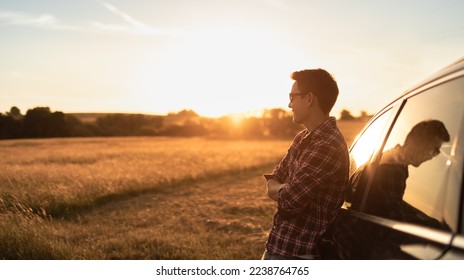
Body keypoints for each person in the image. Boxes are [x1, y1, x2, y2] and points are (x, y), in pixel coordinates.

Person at [262, 68, 349, 260]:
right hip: (280, 247)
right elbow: (275, 177)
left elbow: (290, 200)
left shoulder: (327, 145)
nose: (289, 104)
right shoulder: (302, 137)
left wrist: (280, 189)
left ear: (309, 98)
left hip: (298, 255)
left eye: (293, 97)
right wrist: (282, 187)